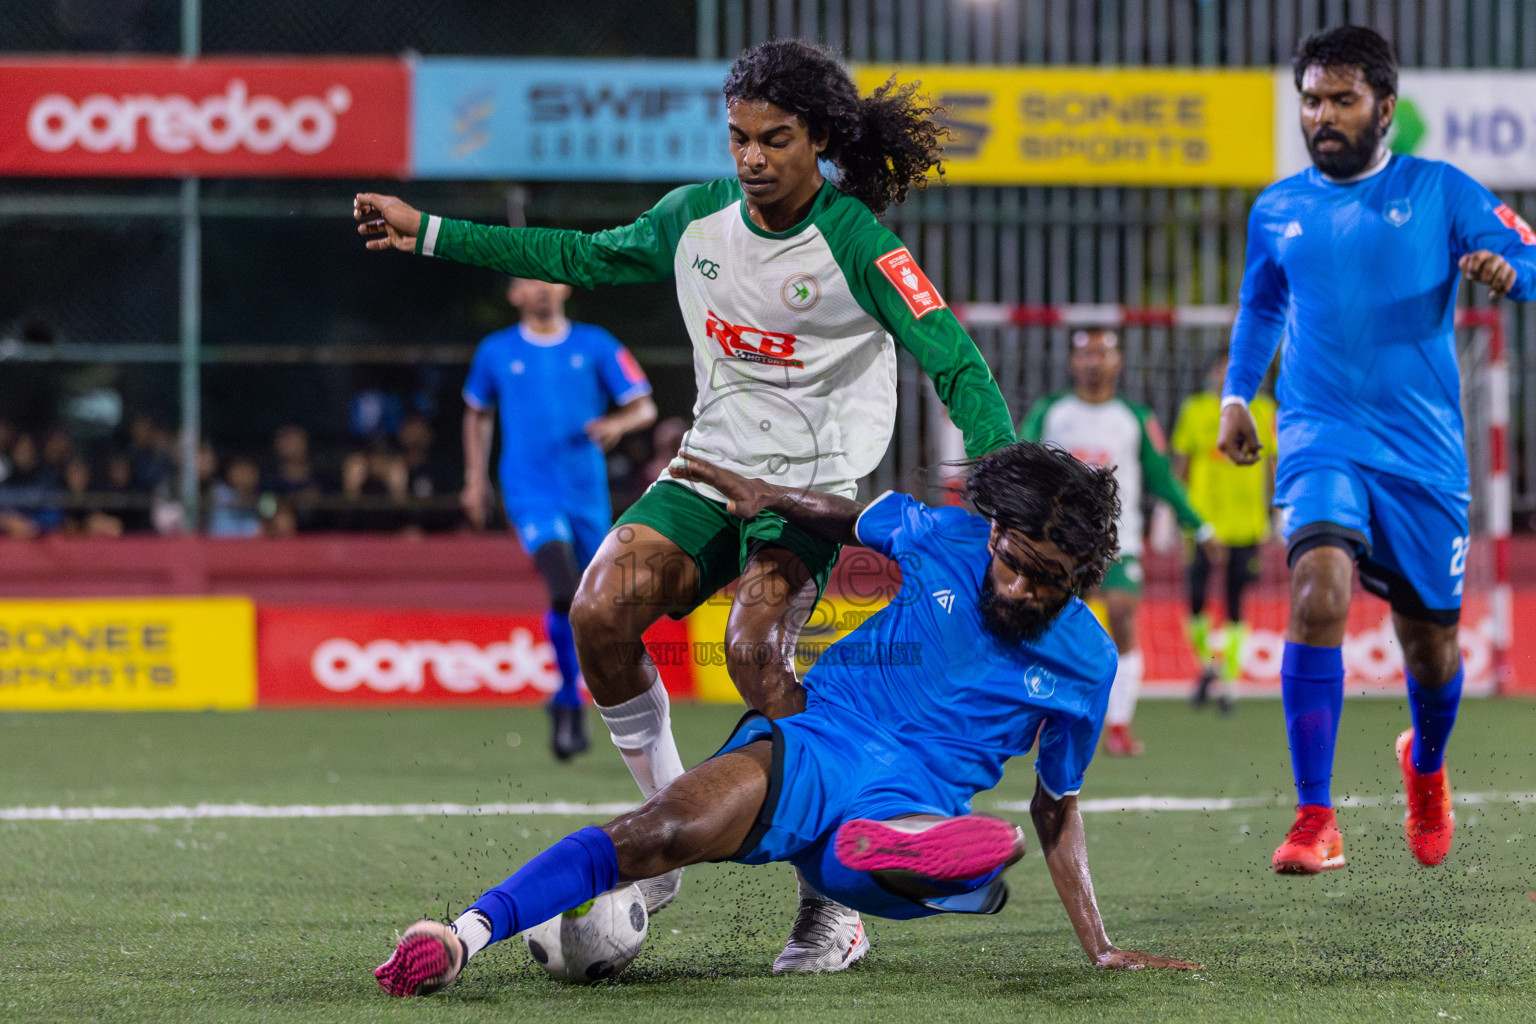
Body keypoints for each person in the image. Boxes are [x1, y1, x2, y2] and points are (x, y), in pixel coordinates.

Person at [355, 38, 1016, 970]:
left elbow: (955, 360)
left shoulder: (862, 243)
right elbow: (574, 254)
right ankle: (664, 837)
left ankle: (833, 903)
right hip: (709, 469)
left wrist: (1001, 485)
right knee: (597, 612)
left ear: (820, 138)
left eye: (775, 139)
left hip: (808, 489)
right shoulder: (694, 219)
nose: (750, 158)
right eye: (738, 138)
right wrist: (431, 231)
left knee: (753, 651)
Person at [373, 441, 1201, 997]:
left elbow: (1056, 811)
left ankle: (937, 868)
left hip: (914, 791)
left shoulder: (1088, 666)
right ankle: (463, 936)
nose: (1019, 587)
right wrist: (762, 496)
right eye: (1011, 562)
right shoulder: (946, 536)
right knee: (659, 828)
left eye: (1046, 579)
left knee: (869, 862)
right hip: (819, 740)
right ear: (993, 533)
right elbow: (848, 518)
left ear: (1086, 574)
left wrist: (1099, 942)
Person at [1220, 26, 1536, 875]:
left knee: (1430, 648)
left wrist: (1511, 274)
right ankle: (1315, 818)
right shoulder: (1278, 208)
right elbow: (1259, 309)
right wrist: (1236, 397)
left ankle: (1425, 768)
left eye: (1341, 100)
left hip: (1423, 457)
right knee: (1317, 589)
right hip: (1320, 435)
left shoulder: (1440, 189)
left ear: (1385, 107)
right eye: (1311, 100)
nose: (1321, 116)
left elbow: (1527, 251)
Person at [460, 277, 658, 761]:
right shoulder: (496, 351)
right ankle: (568, 697)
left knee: (596, 603)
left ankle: (587, 696)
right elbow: (477, 413)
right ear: (513, 295)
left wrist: (616, 423)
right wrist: (474, 478)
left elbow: (643, 407)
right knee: (562, 589)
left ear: (565, 288)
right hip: (529, 489)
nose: (541, 290)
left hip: (586, 491)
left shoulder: (595, 343)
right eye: (529, 282)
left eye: (548, 279)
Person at [1019, 329, 1214, 757]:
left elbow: (1162, 477)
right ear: (1073, 363)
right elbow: (1022, 462)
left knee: (1123, 616)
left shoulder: (1134, 416)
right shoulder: (1051, 412)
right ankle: (1038, 715)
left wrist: (1198, 525)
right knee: (1046, 624)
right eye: (1085, 354)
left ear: (1118, 362)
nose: (1093, 361)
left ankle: (1120, 724)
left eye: (1102, 354)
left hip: (1117, 543)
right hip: (1057, 544)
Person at [1170, 350, 1278, 711]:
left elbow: (1274, 464)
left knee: (1236, 601)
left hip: (1247, 525)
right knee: (1196, 599)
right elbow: (1182, 465)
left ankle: (1227, 683)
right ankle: (1207, 665)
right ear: (1212, 374)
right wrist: (1171, 514)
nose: (1226, 377)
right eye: (1221, 370)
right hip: (1203, 524)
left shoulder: (1263, 412)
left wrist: (1280, 511)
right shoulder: (1196, 410)